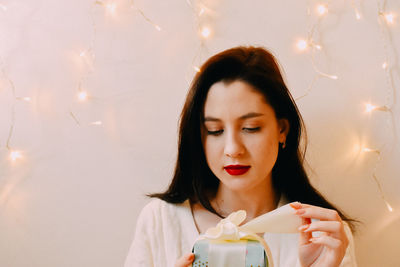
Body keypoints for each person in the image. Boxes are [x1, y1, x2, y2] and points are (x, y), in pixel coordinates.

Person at [124, 46, 358, 267]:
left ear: (282, 130)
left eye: (250, 127)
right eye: (215, 131)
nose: (232, 149)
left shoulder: (323, 235)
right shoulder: (160, 221)